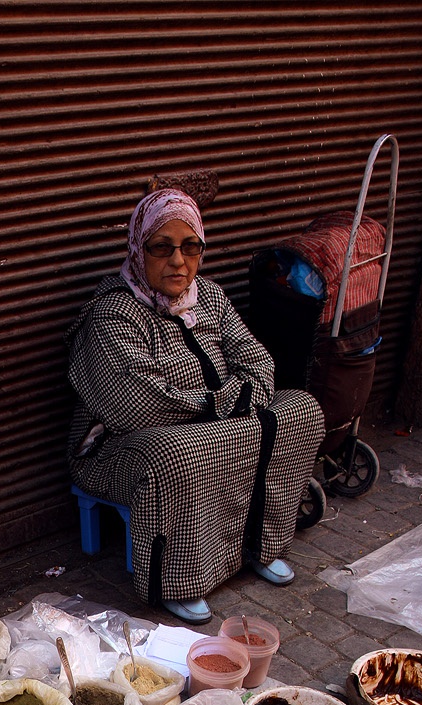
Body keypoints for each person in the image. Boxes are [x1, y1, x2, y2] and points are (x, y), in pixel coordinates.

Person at [66, 188, 325, 623]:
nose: (178, 261)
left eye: (191, 247)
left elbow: (255, 358)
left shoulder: (209, 296)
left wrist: (236, 401)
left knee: (301, 410)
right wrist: (231, 402)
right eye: (161, 247)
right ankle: (179, 580)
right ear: (137, 248)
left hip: (219, 424)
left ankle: (257, 546)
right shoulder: (113, 313)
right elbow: (140, 403)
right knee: (176, 453)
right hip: (122, 446)